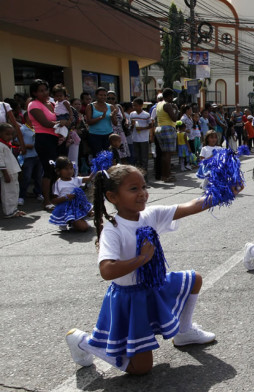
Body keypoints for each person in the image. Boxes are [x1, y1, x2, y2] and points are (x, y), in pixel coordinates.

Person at [65, 165, 242, 375]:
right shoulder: (113, 230)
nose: (142, 193)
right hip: (131, 299)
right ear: (113, 197)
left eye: (143, 186)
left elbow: (192, 206)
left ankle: (184, 332)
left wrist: (225, 192)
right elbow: (107, 270)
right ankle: (84, 342)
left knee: (194, 279)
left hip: (153, 285)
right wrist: (141, 259)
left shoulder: (150, 214)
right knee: (141, 369)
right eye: (133, 189)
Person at [28, 79, 68, 211]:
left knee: (58, 169)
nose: (45, 93)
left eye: (46, 89)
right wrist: (60, 122)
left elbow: (63, 115)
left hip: (56, 138)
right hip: (44, 139)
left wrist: (68, 120)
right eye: (41, 91)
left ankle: (55, 197)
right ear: (34, 92)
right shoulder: (33, 105)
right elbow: (45, 123)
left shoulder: (51, 102)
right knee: (49, 170)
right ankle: (46, 201)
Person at [48, 156, 93, 232]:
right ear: (58, 171)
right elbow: (53, 200)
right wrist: (65, 197)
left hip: (76, 205)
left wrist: (96, 168)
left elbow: (89, 178)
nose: (69, 171)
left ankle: (77, 221)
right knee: (83, 228)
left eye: (71, 168)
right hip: (65, 208)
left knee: (85, 226)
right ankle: (67, 222)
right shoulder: (57, 183)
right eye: (66, 169)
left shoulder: (76, 180)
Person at [0, 123, 25, 217]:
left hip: (13, 171)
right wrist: (5, 174)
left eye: (11, 134)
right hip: (8, 172)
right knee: (8, 192)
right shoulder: (0, 145)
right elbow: (0, 161)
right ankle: (9, 211)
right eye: (7, 134)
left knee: (14, 191)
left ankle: (14, 209)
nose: (10, 136)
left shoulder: (6, 144)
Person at [18, 113, 43, 206]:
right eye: (29, 116)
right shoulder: (22, 129)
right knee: (26, 177)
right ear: (25, 118)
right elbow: (17, 142)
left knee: (38, 176)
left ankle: (38, 193)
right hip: (28, 156)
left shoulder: (37, 127)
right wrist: (26, 146)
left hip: (38, 155)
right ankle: (21, 196)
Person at [154, 88, 179, 182]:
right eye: (172, 96)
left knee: (164, 154)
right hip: (168, 129)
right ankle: (166, 176)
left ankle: (164, 175)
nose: (172, 98)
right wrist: (176, 110)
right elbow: (174, 118)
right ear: (169, 96)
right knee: (167, 155)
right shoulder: (167, 105)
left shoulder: (158, 104)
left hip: (159, 128)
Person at [86, 87, 118, 157]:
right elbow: (89, 122)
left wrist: (112, 116)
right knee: (98, 156)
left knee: (108, 156)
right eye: (101, 95)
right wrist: (100, 117)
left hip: (108, 135)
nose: (103, 97)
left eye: (105, 95)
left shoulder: (111, 107)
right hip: (95, 135)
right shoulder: (90, 106)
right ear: (96, 95)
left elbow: (115, 123)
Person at [129, 98, 152, 176]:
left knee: (144, 158)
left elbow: (151, 125)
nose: (134, 107)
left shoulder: (146, 115)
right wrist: (131, 125)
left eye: (135, 105)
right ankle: (138, 175)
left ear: (141, 105)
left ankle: (145, 176)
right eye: (133, 105)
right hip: (135, 138)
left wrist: (142, 128)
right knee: (136, 158)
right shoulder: (132, 114)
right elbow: (130, 126)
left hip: (144, 139)